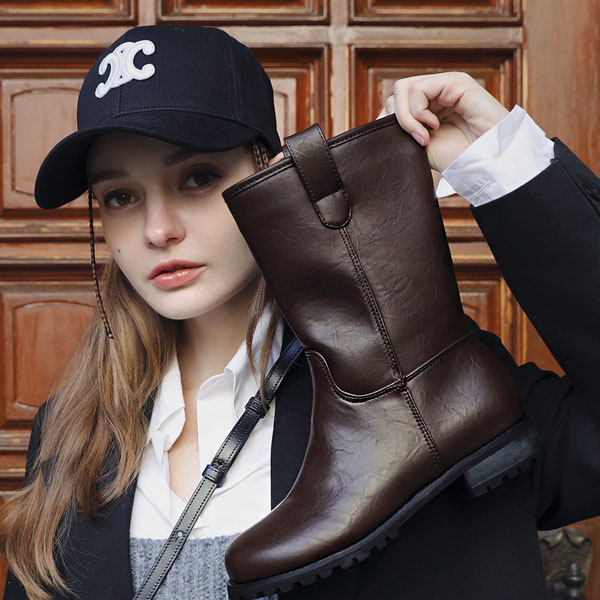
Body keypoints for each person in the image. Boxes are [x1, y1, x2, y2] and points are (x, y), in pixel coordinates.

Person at [0, 23, 599, 600]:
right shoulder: (69, 432)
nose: (158, 230)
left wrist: (502, 163)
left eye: (198, 178)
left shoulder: (417, 382)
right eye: (120, 197)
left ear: (268, 173)